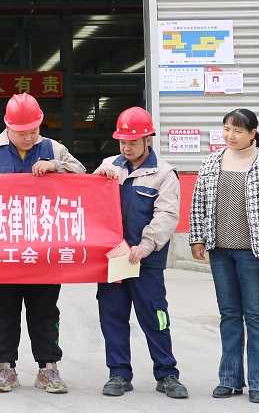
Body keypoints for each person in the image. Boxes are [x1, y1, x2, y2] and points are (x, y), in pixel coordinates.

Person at [0, 93, 85, 394]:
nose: (29, 137)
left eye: (34, 130)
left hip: (44, 249)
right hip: (2, 250)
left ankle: (48, 369)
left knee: (45, 311)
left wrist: (55, 166)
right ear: (8, 126)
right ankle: (5, 368)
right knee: (2, 312)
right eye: (22, 133)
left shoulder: (53, 149)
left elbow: (83, 176)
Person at [189, 108, 259, 404]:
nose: (230, 136)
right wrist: (197, 239)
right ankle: (229, 379)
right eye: (226, 129)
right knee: (229, 315)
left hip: (253, 253)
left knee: (256, 316)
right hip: (219, 251)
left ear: (252, 134)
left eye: (237, 130)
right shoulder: (211, 161)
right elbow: (198, 202)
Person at [93, 107, 188, 399]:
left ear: (148, 139)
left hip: (146, 260)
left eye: (133, 142)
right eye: (122, 141)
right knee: (112, 317)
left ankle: (167, 373)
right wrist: (97, 178)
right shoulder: (109, 166)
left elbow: (167, 215)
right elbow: (90, 202)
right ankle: (119, 373)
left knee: (156, 316)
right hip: (114, 260)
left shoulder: (164, 174)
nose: (126, 147)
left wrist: (146, 245)